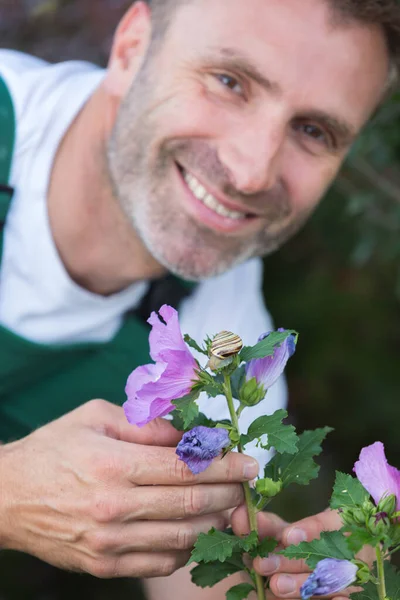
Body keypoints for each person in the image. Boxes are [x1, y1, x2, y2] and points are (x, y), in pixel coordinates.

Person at [0, 0, 397, 598]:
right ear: (132, 48)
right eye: (229, 81)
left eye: (313, 130)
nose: (251, 172)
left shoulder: (226, 335)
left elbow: (197, 572)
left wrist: (304, 576)